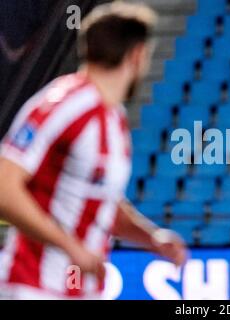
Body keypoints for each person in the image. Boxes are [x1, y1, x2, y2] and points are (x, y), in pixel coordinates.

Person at [0, 2, 187, 299]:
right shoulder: (63, 103)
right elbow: (4, 187)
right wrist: (71, 246)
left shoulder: (113, 118)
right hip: (32, 286)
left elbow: (99, 201)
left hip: (80, 290)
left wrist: (151, 238)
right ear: (137, 55)